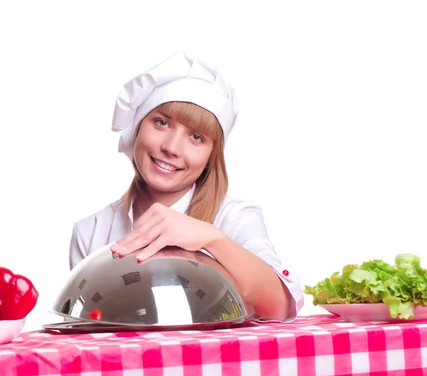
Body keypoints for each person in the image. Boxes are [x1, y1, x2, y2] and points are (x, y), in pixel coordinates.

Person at [68, 52, 303, 322]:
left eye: (196, 137)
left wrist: (212, 239)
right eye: (162, 122)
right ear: (136, 128)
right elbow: (87, 325)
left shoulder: (236, 219)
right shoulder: (91, 232)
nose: (171, 148)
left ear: (210, 156)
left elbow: (280, 308)